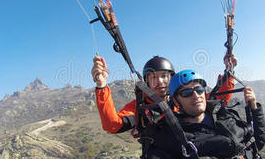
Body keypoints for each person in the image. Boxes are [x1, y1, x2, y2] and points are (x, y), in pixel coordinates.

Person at [91, 55, 237, 136]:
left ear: (171, 79)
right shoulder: (141, 106)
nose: (159, 81)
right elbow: (112, 125)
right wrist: (102, 85)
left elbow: (217, 101)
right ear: (146, 81)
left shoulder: (184, 94)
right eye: (153, 77)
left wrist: (229, 71)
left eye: (164, 76)